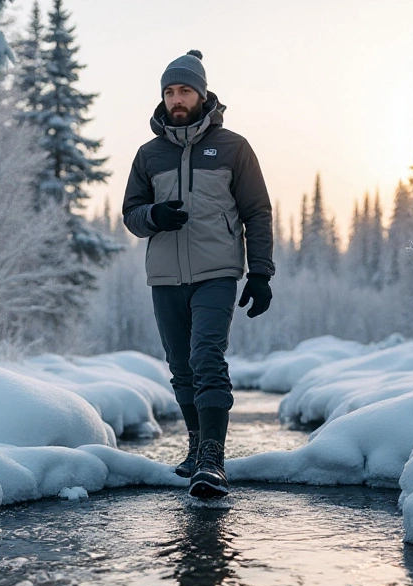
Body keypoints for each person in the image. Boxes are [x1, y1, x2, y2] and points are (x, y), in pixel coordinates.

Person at [122, 50, 275, 498]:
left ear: (203, 93)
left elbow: (257, 212)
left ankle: (213, 457)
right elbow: (131, 215)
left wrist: (261, 273)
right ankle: (194, 449)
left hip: (217, 272)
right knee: (180, 367)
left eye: (184, 90)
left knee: (207, 356)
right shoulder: (148, 155)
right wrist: (153, 215)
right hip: (165, 276)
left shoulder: (233, 148)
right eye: (169, 91)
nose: (176, 99)